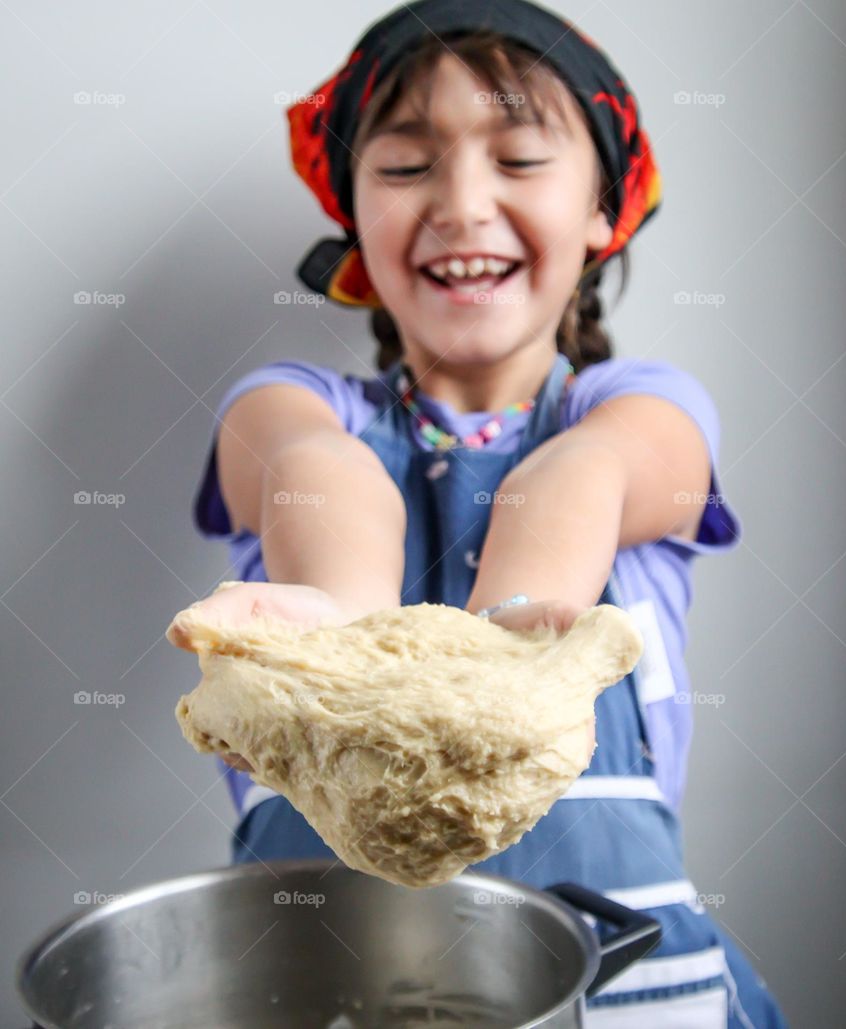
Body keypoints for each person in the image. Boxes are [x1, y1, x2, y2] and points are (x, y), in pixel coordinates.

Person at [180, 1, 788, 1023]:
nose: (461, 204)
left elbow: (582, 477)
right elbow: (312, 469)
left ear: (606, 207)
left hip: (622, 987)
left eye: (517, 159)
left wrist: (511, 662)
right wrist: (342, 651)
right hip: (315, 983)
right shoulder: (291, 407)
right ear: (357, 228)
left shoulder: (641, 410)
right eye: (408, 167)